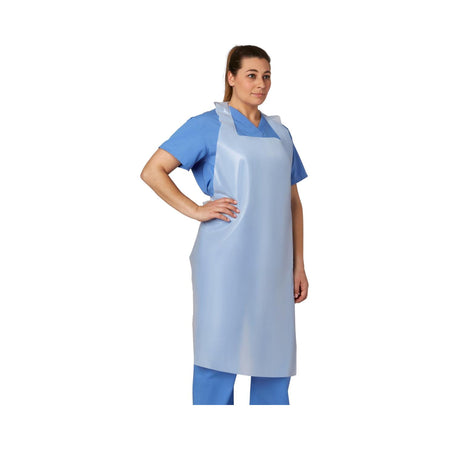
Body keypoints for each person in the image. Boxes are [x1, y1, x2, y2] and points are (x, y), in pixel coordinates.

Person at [140, 45, 309, 405]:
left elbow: (292, 202)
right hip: (224, 260)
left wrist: (299, 265)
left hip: (274, 264)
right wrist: (196, 210)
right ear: (231, 77)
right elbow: (153, 171)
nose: (261, 84)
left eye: (266, 76)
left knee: (274, 359)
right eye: (251, 75)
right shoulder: (207, 126)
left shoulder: (281, 133)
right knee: (217, 357)